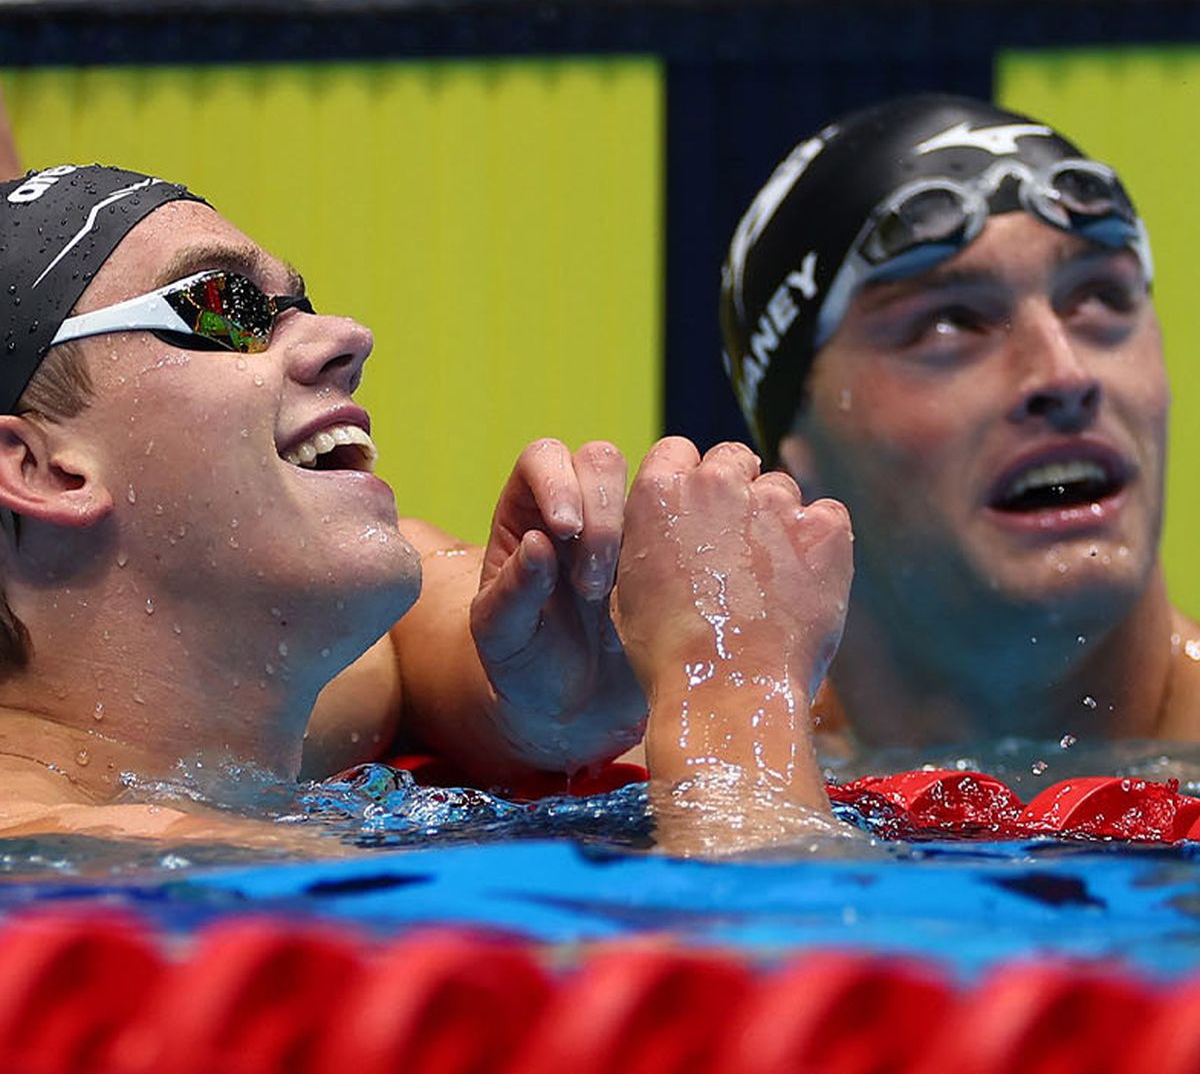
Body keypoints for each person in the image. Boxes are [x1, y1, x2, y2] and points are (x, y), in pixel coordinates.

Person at [0, 160, 852, 851]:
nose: (347, 336)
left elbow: (406, 643)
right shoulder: (74, 863)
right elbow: (802, 994)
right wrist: (732, 686)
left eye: (298, 304)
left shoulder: (229, 736)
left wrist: (543, 704)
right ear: (39, 467)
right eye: (225, 309)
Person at [719, 92, 1200, 754]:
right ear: (792, 444)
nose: (1064, 377)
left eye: (1099, 298)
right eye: (949, 323)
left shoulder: (721, 786)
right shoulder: (715, 770)